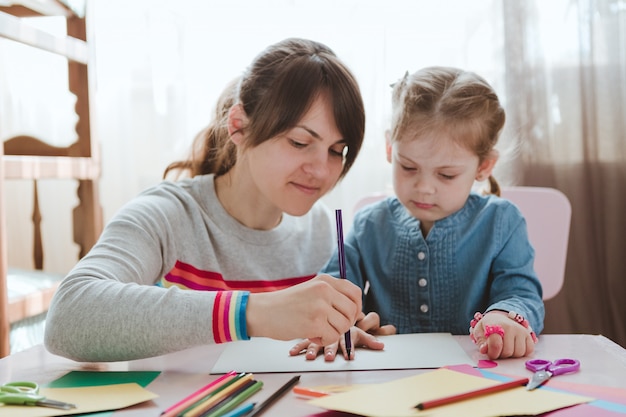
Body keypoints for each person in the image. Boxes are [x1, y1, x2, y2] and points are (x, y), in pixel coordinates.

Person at [44, 38, 379, 362]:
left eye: (337, 151)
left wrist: (342, 331)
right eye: (299, 142)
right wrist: (253, 313)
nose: (321, 170)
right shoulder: (169, 215)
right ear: (239, 127)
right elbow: (67, 316)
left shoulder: (320, 229)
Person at [301, 66, 544, 361]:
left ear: (483, 167)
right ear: (390, 148)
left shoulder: (502, 221)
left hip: (479, 375)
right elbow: (334, 289)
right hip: (384, 375)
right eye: (409, 167)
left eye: (446, 175)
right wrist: (341, 324)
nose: (424, 188)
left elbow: (521, 292)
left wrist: (506, 317)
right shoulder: (369, 224)